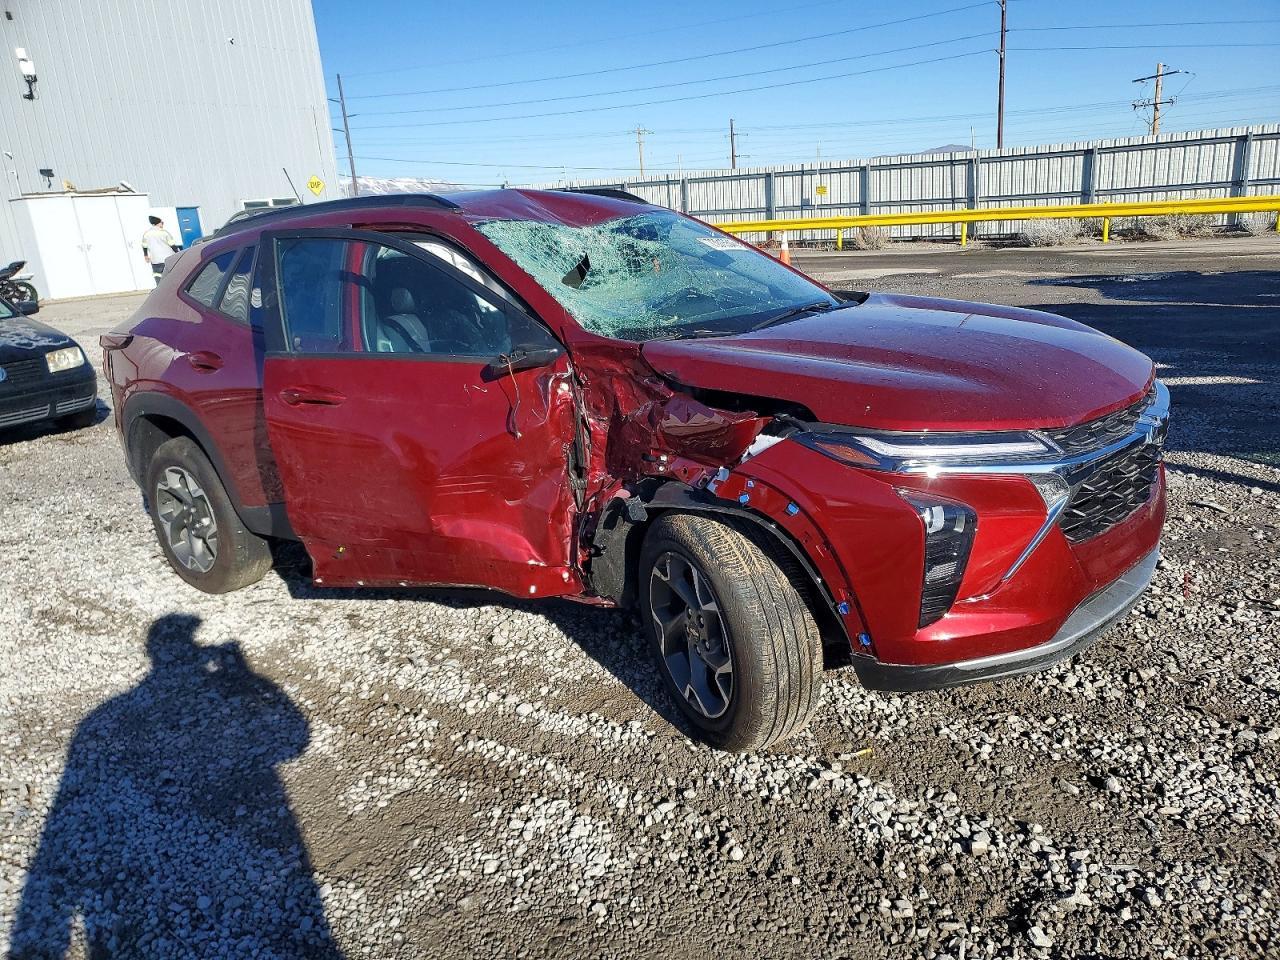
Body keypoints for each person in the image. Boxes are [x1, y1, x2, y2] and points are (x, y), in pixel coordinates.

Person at [142, 216, 181, 284]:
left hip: (155, 260)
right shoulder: (164, 233)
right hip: (168, 258)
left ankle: (161, 291)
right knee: (172, 276)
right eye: (162, 223)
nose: (162, 224)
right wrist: (179, 253)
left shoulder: (146, 234)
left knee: (158, 277)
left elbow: (144, 246)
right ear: (158, 223)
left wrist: (146, 255)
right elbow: (172, 245)